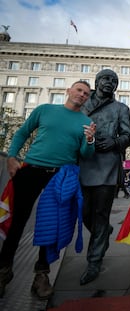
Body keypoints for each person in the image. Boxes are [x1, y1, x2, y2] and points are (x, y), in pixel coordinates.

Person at [0, 81, 96, 299]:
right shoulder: (45, 110)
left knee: (51, 225)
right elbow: (22, 133)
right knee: (17, 222)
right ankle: (4, 271)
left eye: (86, 94)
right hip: (31, 170)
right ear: (68, 91)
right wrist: (12, 157)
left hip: (60, 176)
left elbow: (85, 154)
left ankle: (41, 275)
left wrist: (89, 140)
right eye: (79, 90)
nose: (82, 95)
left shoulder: (86, 122)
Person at [78, 69, 130, 285]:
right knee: (84, 214)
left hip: (107, 166)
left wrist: (115, 142)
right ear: (97, 82)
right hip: (82, 163)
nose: (110, 83)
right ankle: (103, 233)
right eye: (106, 79)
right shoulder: (82, 104)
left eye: (114, 80)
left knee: (101, 214)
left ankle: (94, 261)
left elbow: (127, 135)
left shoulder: (121, 108)